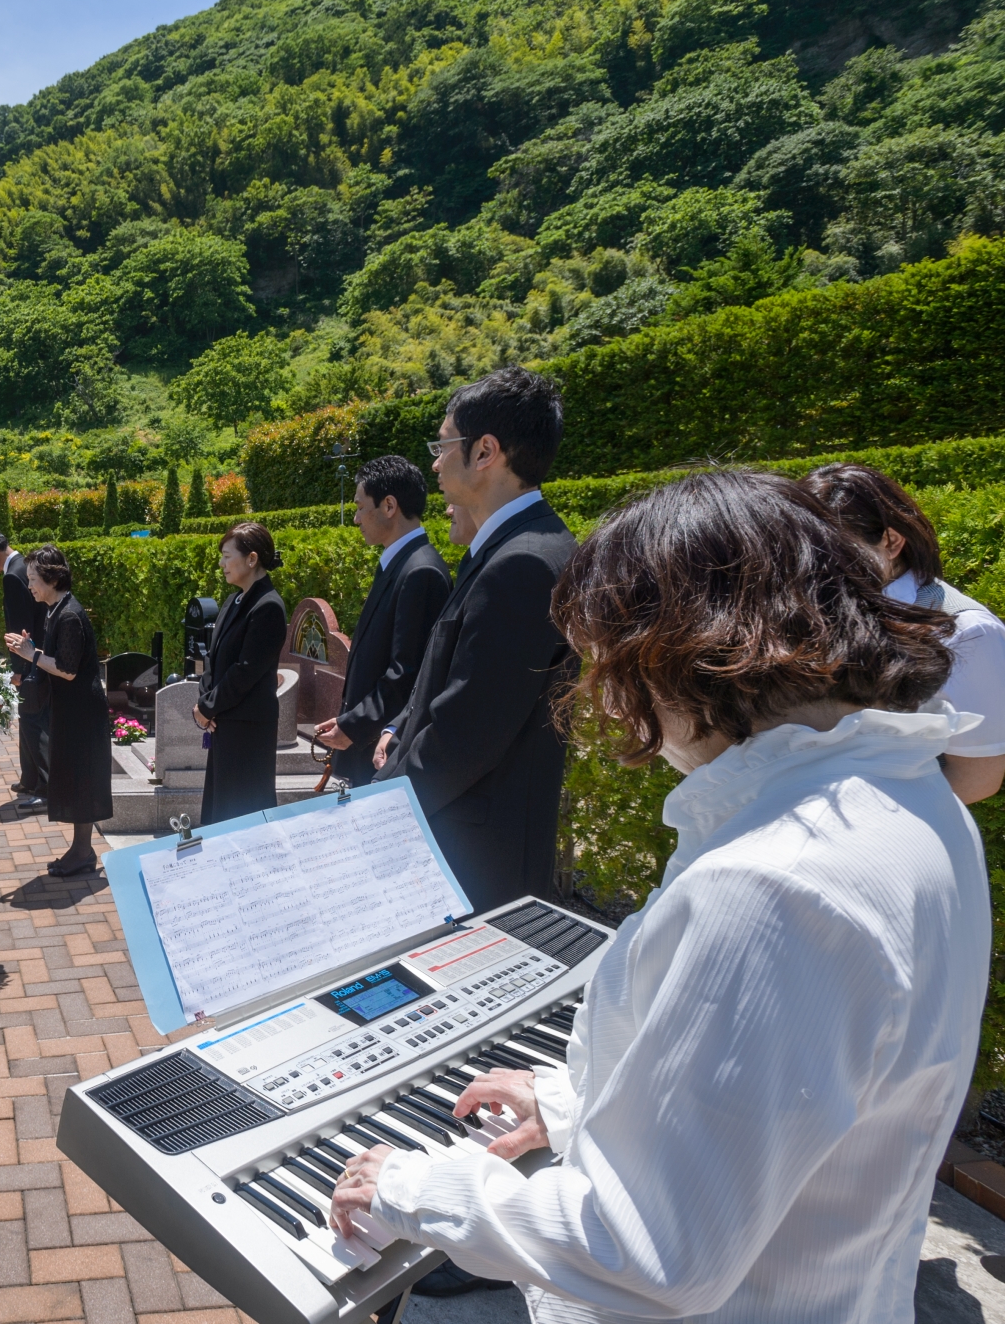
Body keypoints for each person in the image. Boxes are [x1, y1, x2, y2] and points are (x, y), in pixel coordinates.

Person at [329, 472, 983, 1322]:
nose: (609, 698)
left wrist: (414, 1186)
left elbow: (649, 1248)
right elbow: (786, 1105)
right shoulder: (913, 796)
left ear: (690, 649)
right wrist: (572, 1105)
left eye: (614, 661)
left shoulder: (770, 884)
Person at [373, 365, 577, 915]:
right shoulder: (517, 547)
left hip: (478, 856)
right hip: (477, 837)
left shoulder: (524, 563)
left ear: (485, 451)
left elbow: (463, 736)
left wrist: (374, 811)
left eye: (443, 446)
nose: (435, 462)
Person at [803, 462, 1005, 803]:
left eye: (835, 553)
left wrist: (869, 822)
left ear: (891, 541)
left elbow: (977, 776)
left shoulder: (966, 631)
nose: (813, 567)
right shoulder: (821, 610)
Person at [313, 456, 451, 791]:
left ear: (389, 505)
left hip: (384, 752)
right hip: (369, 744)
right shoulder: (399, 563)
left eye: (360, 507)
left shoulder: (421, 571)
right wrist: (349, 719)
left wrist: (355, 725)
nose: (356, 518)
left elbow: (407, 673)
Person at [3, 546, 111, 875]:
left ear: (51, 579)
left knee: (81, 777)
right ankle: (81, 850)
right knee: (75, 776)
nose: (29, 585)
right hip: (70, 707)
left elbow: (67, 669)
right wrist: (33, 650)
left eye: (34, 579)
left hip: (82, 710)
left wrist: (31, 653)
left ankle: (83, 853)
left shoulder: (68, 614)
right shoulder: (55, 608)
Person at [194, 523, 288, 824]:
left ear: (251, 559)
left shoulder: (268, 606)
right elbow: (214, 658)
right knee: (221, 809)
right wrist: (205, 701)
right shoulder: (234, 600)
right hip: (224, 723)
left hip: (248, 729)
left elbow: (246, 671)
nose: (221, 564)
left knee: (241, 813)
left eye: (226, 555)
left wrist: (208, 707)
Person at [0, 527, 47, 807]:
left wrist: (19, 669)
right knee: (28, 719)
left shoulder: (12, 575)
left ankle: (44, 787)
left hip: (31, 662)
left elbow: (20, 628)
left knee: (33, 721)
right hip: (38, 657)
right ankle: (30, 779)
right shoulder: (24, 566)